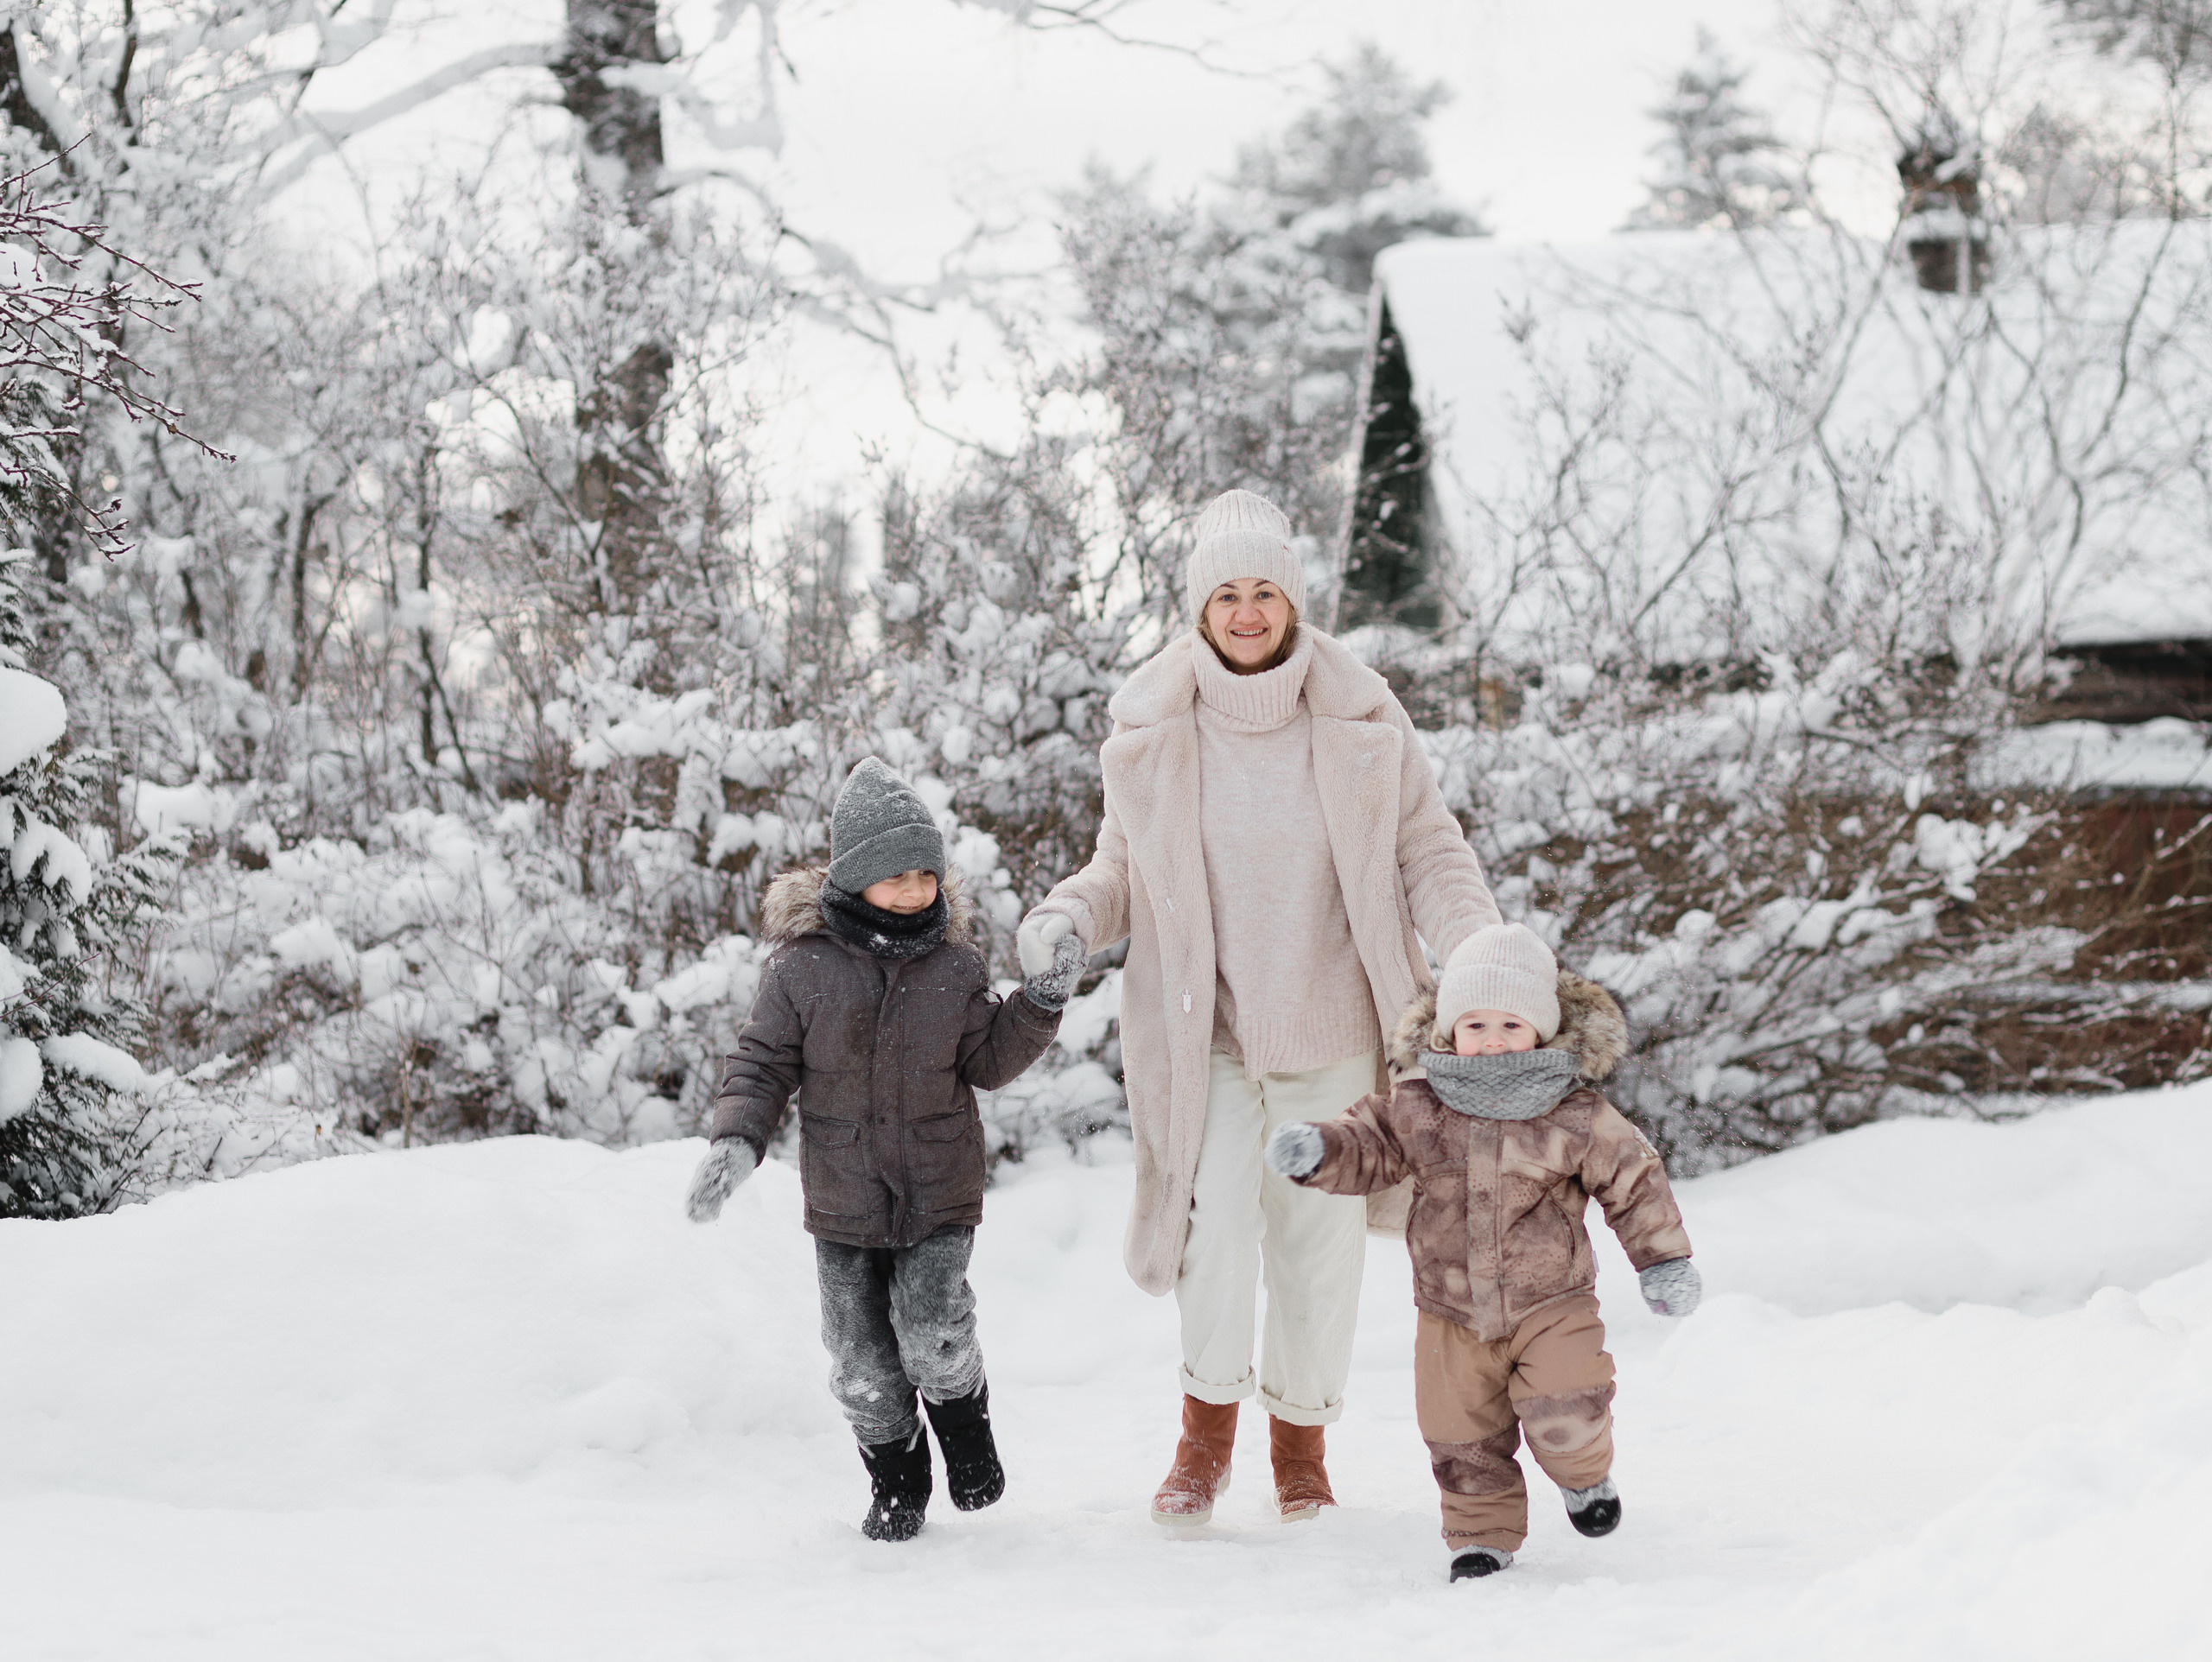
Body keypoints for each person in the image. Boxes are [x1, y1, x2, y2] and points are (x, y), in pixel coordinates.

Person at [1017, 488, 1501, 1526]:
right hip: (1210, 1033)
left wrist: (1476, 954)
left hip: (1332, 1029)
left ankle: (1301, 1446)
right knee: (1212, 1228)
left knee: (1315, 1249)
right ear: (1199, 610)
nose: (1246, 612)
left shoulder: (1363, 717)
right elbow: (1118, 871)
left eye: (1265, 591)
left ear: (1293, 601)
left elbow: (1429, 852)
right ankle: (1204, 1437)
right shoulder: (1151, 730)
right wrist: (1067, 917)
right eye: (1226, 594)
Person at [683, 758, 1088, 1542]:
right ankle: (898, 1484)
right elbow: (762, 1063)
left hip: (940, 1189)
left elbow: (988, 1061)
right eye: (892, 875)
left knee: (932, 1328)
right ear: (853, 877)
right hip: (842, 1198)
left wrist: (1040, 1002)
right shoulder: (800, 970)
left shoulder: (957, 967)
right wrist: (738, 1139)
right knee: (859, 1356)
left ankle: (967, 1436)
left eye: (923, 874)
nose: (911, 890)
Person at [1262, 923, 1701, 1580]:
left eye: (1510, 1024)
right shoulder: (1420, 1107)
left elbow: (1634, 1179)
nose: (1491, 1039)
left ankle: (1585, 1478)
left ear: (1543, 1030)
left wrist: (1662, 1260)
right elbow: (1369, 1143)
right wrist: (1321, 1150)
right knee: (1459, 1433)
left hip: (1553, 1302)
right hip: (1449, 1312)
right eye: (1474, 1025)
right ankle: (1481, 1537)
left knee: (1568, 1406)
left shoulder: (1574, 1113)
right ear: (1446, 1032)